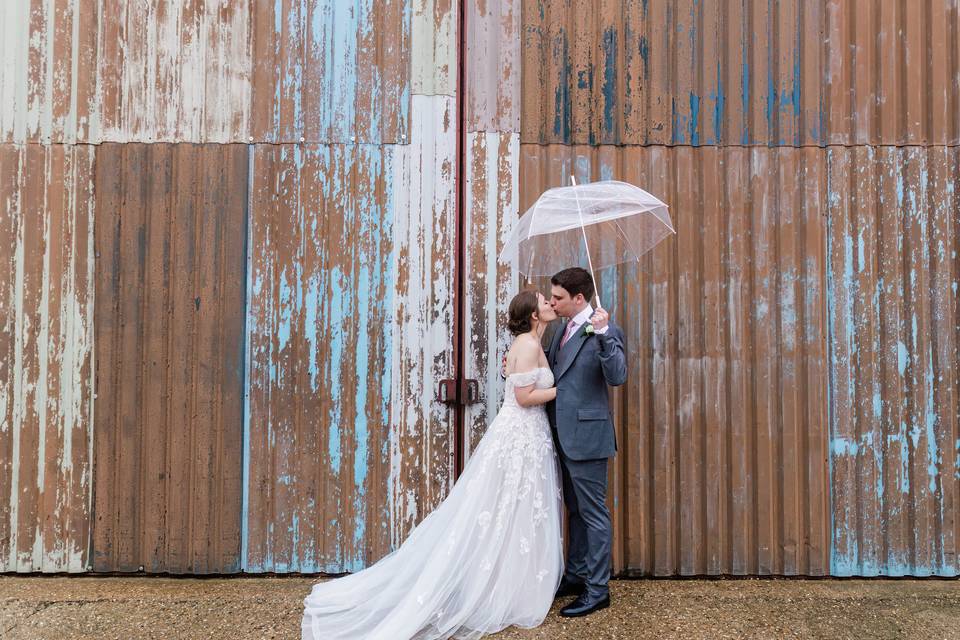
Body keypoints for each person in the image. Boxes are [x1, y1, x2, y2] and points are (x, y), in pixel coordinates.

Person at [302, 290, 564, 640]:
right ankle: (500, 586)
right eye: (544, 301)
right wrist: (562, 390)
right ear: (533, 314)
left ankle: (511, 580)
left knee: (514, 506)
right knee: (509, 506)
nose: (549, 303)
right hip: (521, 436)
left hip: (526, 435)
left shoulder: (528, 343)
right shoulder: (529, 346)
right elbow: (524, 397)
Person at [546, 267, 627, 617]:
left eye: (559, 297)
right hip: (561, 435)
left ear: (580, 298)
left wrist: (606, 334)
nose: (552, 302)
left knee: (593, 513)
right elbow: (553, 373)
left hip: (588, 437)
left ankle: (598, 590)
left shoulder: (604, 331)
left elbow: (618, 376)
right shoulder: (560, 329)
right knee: (575, 511)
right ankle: (577, 575)